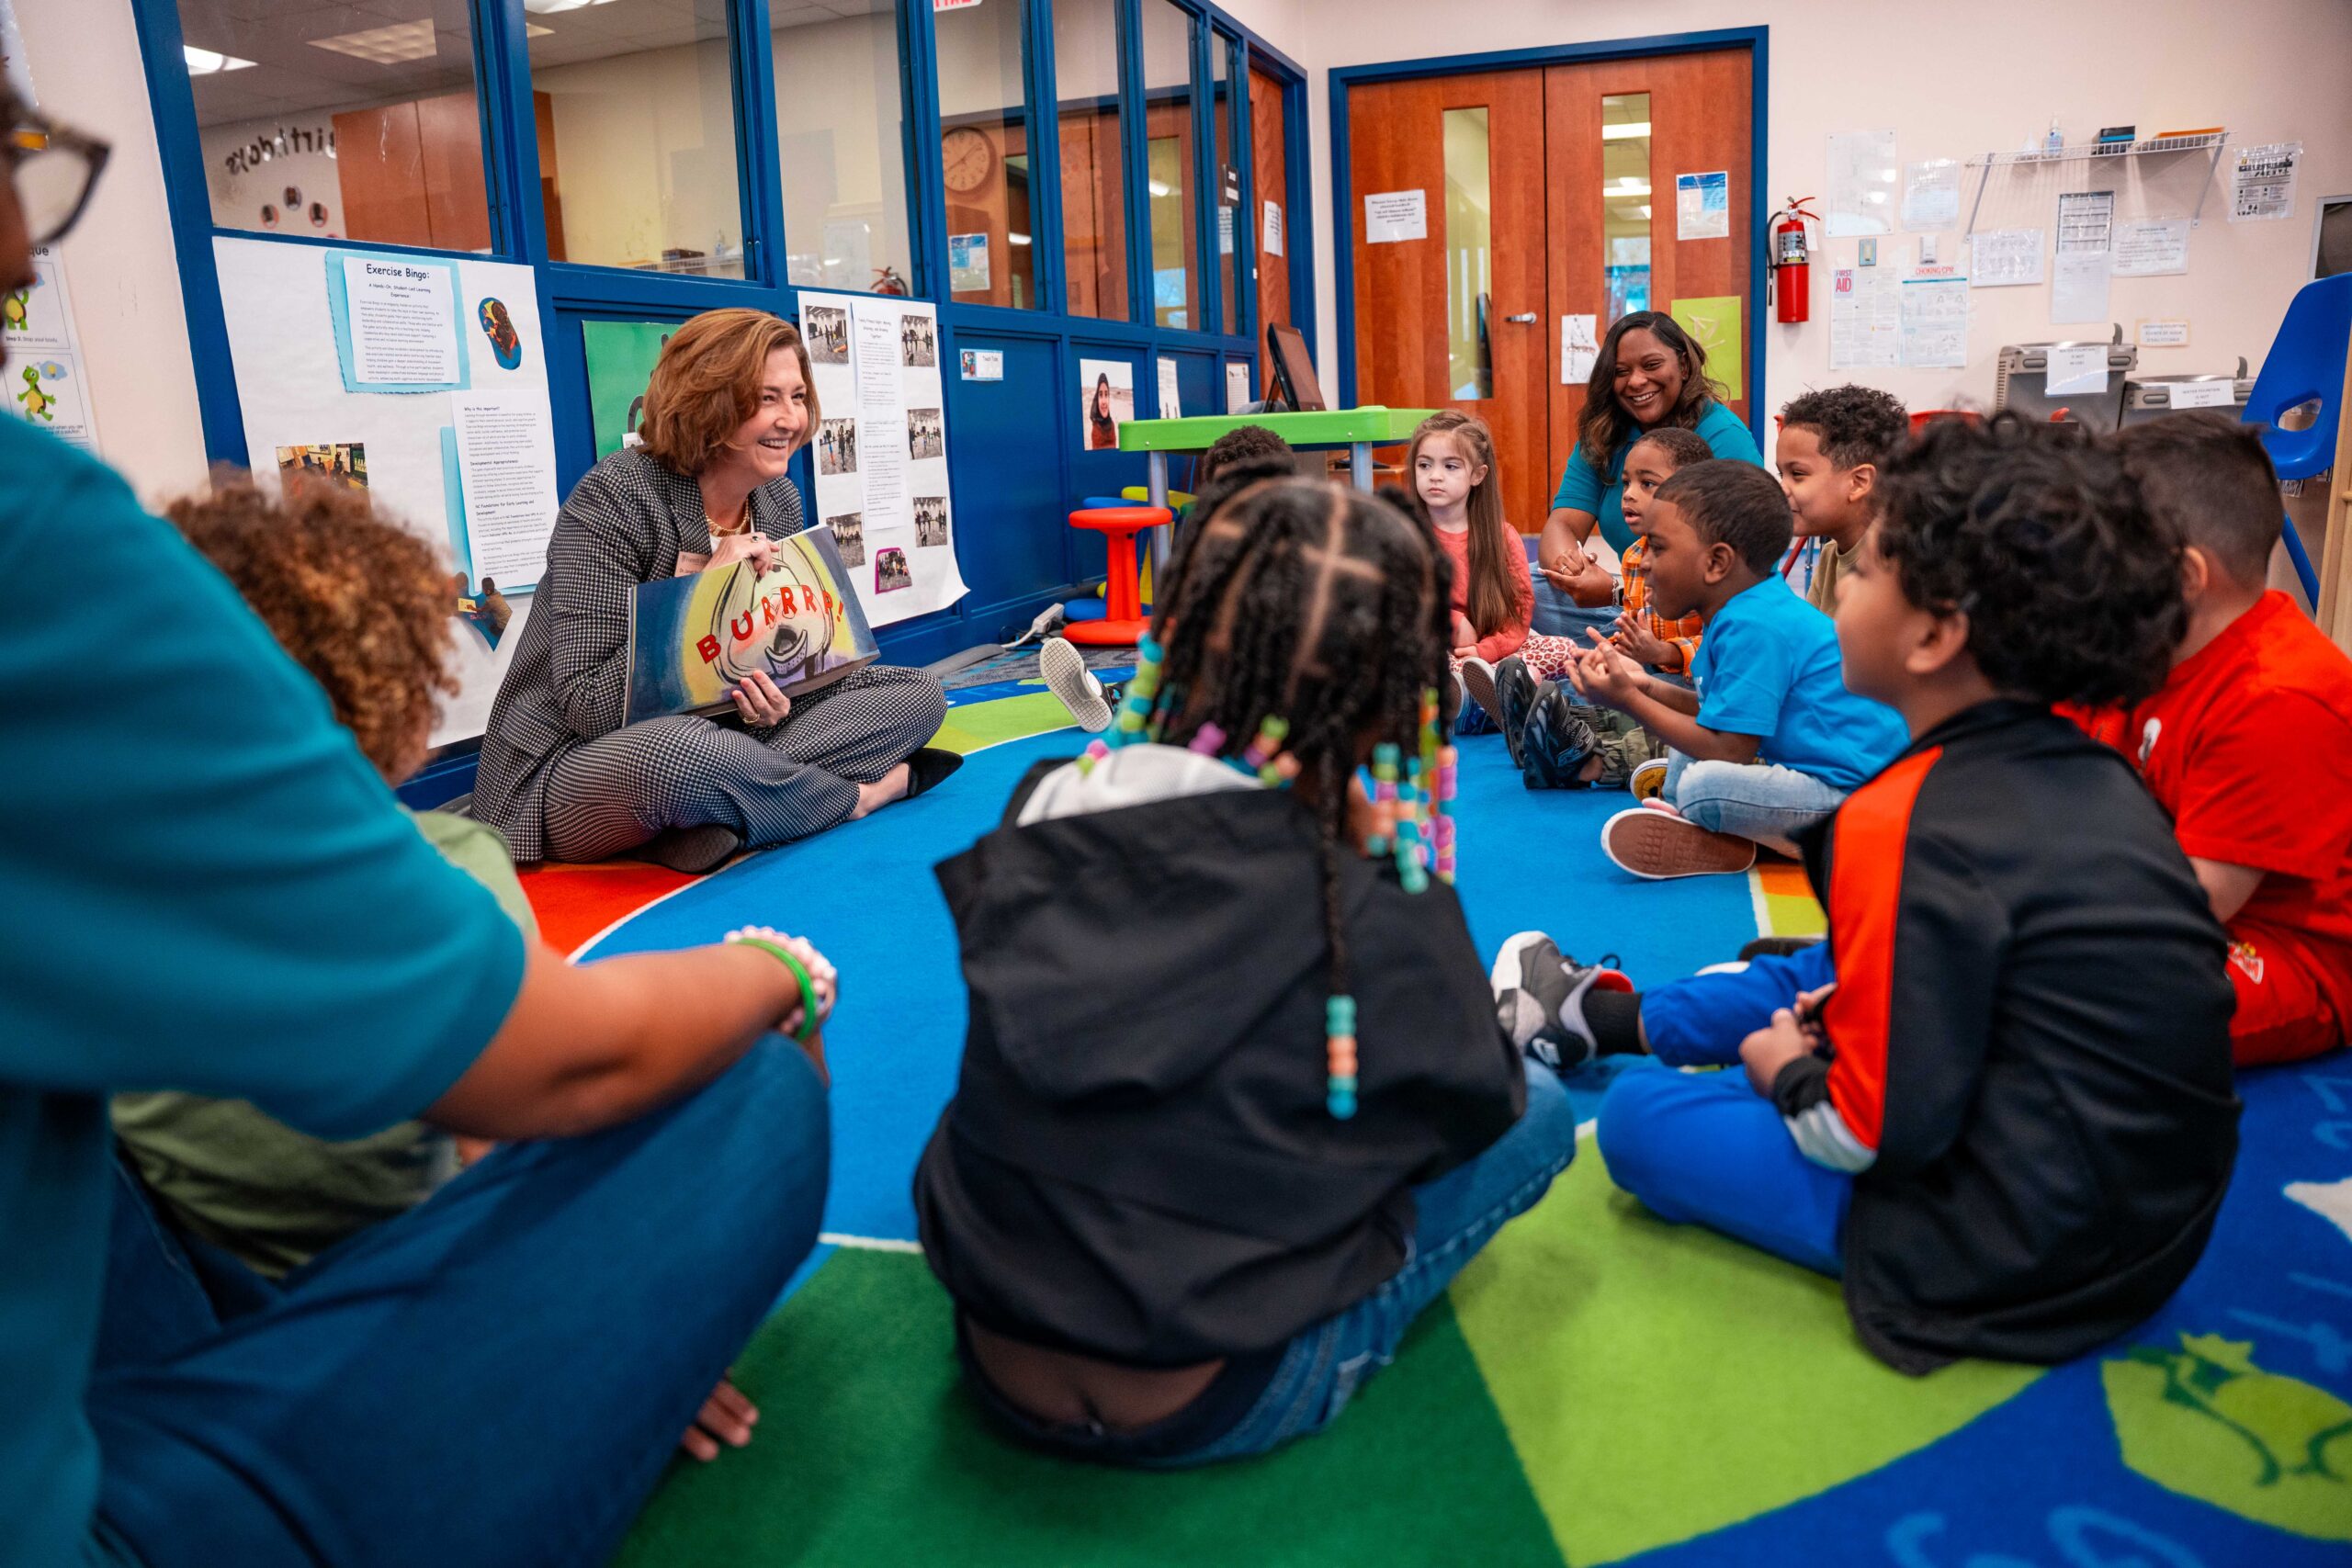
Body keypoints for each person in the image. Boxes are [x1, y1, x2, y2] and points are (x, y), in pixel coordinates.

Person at [2, 84, 833, 1568]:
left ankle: (811, 790)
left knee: (864, 711)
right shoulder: (48, 553)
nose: (786, 419)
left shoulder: (760, 522)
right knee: (762, 1099)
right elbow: (539, 1071)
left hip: (150, 1329)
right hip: (579, 784)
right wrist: (782, 972)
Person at [914, 464, 1577, 1467]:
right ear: (1392, 698)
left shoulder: (1044, 801)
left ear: (1173, 640)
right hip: (1221, 1391)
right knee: (1538, 1106)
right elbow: (1469, 1109)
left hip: (995, 1349)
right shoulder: (1363, 893)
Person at [1547, 415, 2239, 1374]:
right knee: (1806, 969)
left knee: (1640, 1124)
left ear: (1936, 634)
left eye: (1866, 575)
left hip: (2001, 1248)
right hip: (2157, 1228)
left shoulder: (1898, 819)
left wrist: (1782, 1069)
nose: (1839, 601)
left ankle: (1604, 1029)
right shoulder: (2097, 772)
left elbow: (1852, 1133)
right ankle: (1610, 1017)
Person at [472, 307, 954, 874]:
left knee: (918, 694)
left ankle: (713, 818)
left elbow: (767, 668)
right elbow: (587, 706)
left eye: (797, 397)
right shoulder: (615, 496)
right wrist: (700, 596)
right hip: (572, 761)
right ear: (711, 403)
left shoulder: (778, 502)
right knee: (680, 757)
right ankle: (853, 797)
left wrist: (769, 710)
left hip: (721, 733)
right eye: (767, 398)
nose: (791, 418)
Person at [2079, 412, 2352, 1066]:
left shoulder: (2277, 695)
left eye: (2096, 554)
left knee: (2077, 1001)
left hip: (2296, 949)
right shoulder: (2149, 650)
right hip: (2165, 894)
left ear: (2183, 576)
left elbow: (2188, 905)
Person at [1566, 461, 1909, 877]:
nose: (1643, 564)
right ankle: (1709, 826)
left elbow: (1731, 748)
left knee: (1701, 787)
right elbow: (1716, 710)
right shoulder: (1737, 611)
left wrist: (1629, 701)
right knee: (1689, 762)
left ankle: (1793, 845)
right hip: (1821, 776)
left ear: (1716, 563)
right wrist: (1644, 687)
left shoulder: (1755, 625)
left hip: (1857, 797)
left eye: (1658, 547)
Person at [1485, 425, 1711, 791]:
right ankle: (1546, 729)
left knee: (1654, 706)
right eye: (1626, 484)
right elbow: (1638, 617)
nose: (1629, 496)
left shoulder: (1706, 558)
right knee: (1594, 683)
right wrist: (1624, 646)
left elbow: (1721, 641)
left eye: (1647, 484)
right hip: (1656, 671)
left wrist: (1665, 651)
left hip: (1693, 685)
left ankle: (1585, 759)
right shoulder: (1637, 554)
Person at [1533, 310, 1765, 636]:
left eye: (1652, 365)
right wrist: (1573, 571)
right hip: (1630, 602)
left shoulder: (1722, 435)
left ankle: (1628, 666)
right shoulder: (1604, 434)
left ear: (1683, 366)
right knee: (1530, 585)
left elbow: (1738, 558)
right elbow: (1563, 524)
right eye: (1621, 372)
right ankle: (1618, 656)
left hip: (1698, 613)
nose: (1636, 381)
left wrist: (1617, 594)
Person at [1410, 412, 1586, 737]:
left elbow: (1518, 617)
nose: (1434, 476)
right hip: (1437, 652)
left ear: (1477, 475)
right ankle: (1501, 700)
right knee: (1419, 668)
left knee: (1562, 650)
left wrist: (1485, 651)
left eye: (1450, 466)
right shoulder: (1406, 534)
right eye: (1425, 465)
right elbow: (1399, 604)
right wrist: (1453, 622)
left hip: (1493, 654)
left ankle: (1484, 701)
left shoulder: (1502, 537)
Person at [1777, 385, 1910, 614]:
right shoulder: (1830, 556)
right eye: (1782, 474)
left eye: (1797, 474)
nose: (1782, 488)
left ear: (1859, 482)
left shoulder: (1899, 569)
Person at [1088, 371, 1119, 450]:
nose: (1104, 402)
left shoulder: (1112, 425)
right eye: (1101, 395)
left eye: (1106, 394)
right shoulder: (1096, 429)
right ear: (1097, 399)